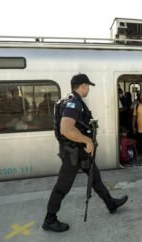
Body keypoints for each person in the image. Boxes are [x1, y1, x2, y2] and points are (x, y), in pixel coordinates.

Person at [42, 73, 128, 232]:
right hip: (73, 153)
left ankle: (110, 203)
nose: (88, 88)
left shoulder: (72, 101)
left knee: (95, 178)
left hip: (80, 152)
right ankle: (49, 219)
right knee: (62, 186)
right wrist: (87, 141)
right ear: (83, 85)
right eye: (88, 85)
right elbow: (66, 129)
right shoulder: (73, 103)